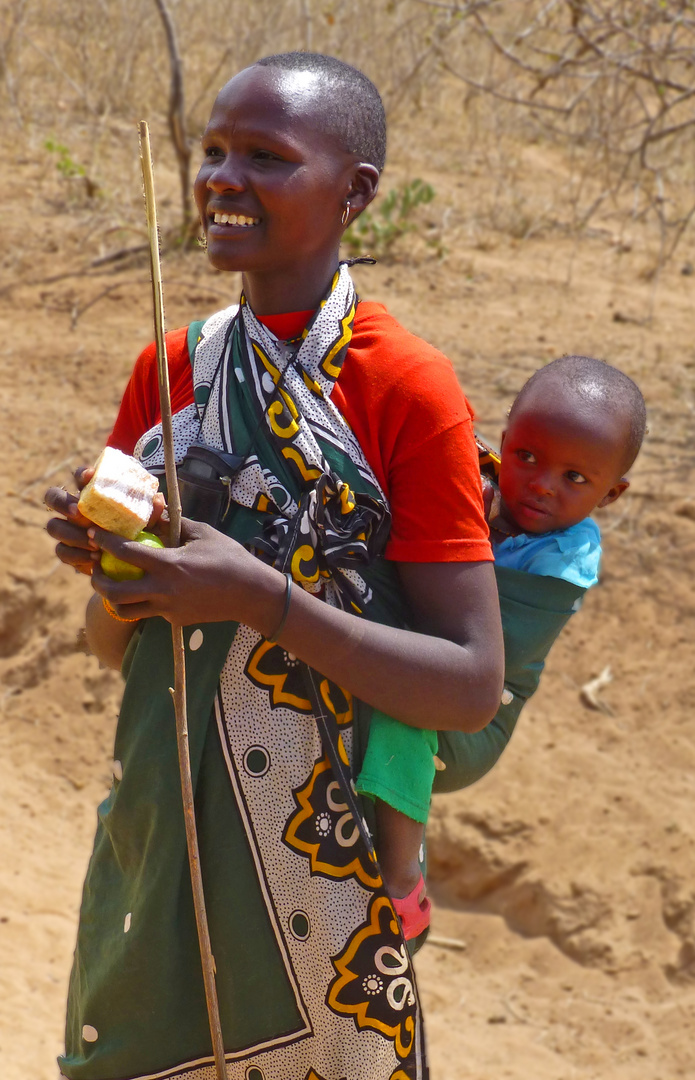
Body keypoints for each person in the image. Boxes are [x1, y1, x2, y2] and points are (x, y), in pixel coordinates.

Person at [45, 52, 504, 1080]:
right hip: (163, 832)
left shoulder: (404, 386)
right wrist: (115, 568)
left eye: (264, 156)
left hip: (321, 870)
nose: (220, 178)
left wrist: (259, 596)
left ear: (355, 193)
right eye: (212, 152)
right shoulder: (170, 369)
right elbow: (112, 646)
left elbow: (470, 683)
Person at [357, 353, 647, 939]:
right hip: (448, 670)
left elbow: (475, 644)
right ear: (504, 438)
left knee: (404, 714)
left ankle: (402, 878)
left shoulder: (562, 564)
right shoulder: (485, 486)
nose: (541, 484)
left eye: (575, 478)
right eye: (528, 457)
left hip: (478, 712)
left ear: (611, 495)